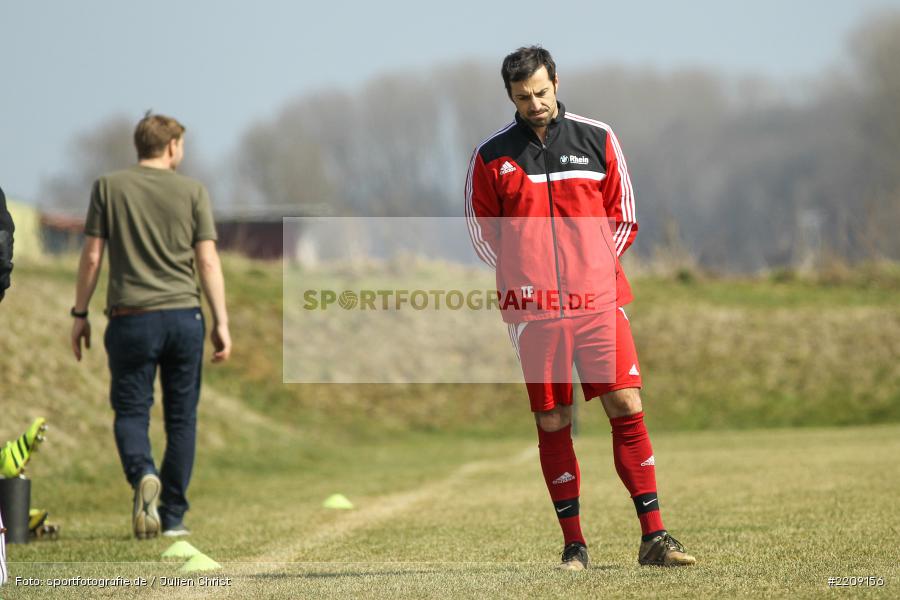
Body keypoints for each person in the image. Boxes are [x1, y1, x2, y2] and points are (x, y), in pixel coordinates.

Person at [465, 46, 695, 570]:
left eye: (541, 92)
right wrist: (529, 280)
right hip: (536, 313)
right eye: (523, 97)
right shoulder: (491, 156)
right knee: (553, 419)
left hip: (598, 304)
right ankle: (575, 545)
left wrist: (591, 274)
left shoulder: (598, 138)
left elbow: (624, 216)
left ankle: (655, 538)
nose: (535, 104)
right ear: (510, 97)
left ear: (556, 82)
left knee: (626, 405)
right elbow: (482, 233)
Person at [71, 112, 232, 539]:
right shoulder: (193, 191)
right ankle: (173, 516)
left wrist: (80, 314)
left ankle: (143, 471)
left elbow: (92, 257)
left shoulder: (108, 187)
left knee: (131, 412)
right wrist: (221, 321)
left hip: (131, 319)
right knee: (181, 419)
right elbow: (208, 261)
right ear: (172, 146)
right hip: (184, 317)